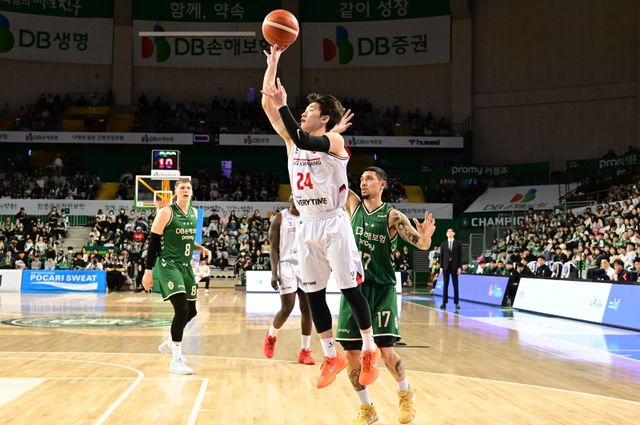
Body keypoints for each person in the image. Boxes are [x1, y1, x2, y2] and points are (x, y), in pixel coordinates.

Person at [261, 45, 379, 389]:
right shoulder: (292, 143)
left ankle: (369, 349)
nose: (303, 113)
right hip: (307, 224)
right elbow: (268, 104)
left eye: (310, 110)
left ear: (324, 118)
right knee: (313, 295)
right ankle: (330, 356)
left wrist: (284, 103)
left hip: (333, 222)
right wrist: (273, 64)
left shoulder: (335, 141)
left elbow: (302, 136)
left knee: (350, 290)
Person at [337, 167, 435, 424]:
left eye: (369, 179)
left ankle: (406, 393)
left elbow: (421, 244)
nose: (363, 182)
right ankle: (367, 409)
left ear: (382, 184)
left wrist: (425, 238)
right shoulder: (353, 204)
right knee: (351, 354)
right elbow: (333, 178)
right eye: (361, 179)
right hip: (354, 289)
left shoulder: (392, 216)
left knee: (385, 349)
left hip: (381, 289)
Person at [141, 178, 211, 375]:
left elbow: (185, 240)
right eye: (182, 188)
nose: (185, 190)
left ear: (192, 192)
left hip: (185, 266)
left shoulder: (194, 213)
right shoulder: (166, 212)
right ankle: (176, 360)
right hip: (168, 264)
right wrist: (148, 271)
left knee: (192, 311)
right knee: (181, 310)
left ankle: (170, 344)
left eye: (188, 187)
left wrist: (201, 248)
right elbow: (153, 243)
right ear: (176, 192)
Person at [263, 200, 315, 366]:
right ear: (290, 197)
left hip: (306, 265)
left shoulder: (310, 217)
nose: (295, 197)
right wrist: (274, 272)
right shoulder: (280, 218)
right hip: (286, 265)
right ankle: (271, 336)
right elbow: (273, 247)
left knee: (307, 308)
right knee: (287, 307)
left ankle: (305, 351)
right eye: (293, 194)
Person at [440, 228, 463, 310]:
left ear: (454, 233)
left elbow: (460, 256)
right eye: (448, 232)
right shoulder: (443, 244)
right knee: (445, 285)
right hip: (446, 266)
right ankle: (444, 303)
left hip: (455, 266)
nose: (449, 233)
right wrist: (441, 267)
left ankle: (457, 303)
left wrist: (459, 267)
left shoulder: (458, 243)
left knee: (455, 285)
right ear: (446, 234)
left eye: (451, 231)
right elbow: (442, 256)